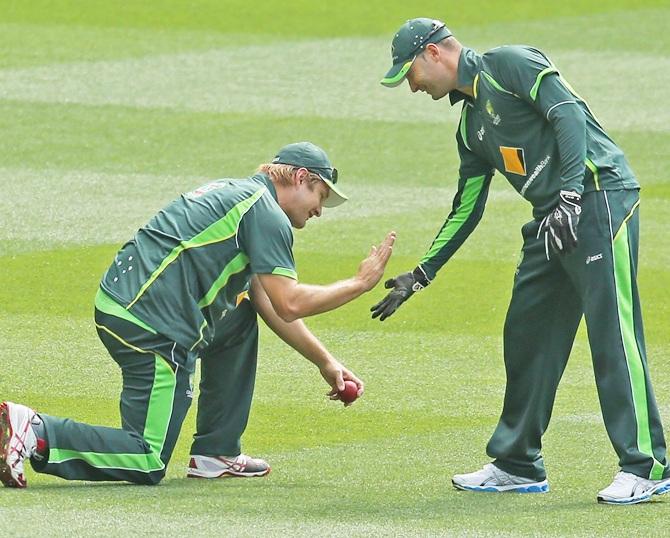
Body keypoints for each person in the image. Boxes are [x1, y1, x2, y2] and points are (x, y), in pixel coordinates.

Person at [374, 17, 670, 505]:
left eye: (410, 73)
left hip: (599, 198)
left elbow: (569, 117)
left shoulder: (509, 63)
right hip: (553, 219)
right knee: (527, 333)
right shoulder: (470, 127)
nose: (413, 87)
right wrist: (421, 273)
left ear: (433, 53)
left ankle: (647, 464)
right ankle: (517, 463)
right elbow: (466, 207)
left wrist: (572, 195)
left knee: (611, 332)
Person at [0, 141, 395, 488]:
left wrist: (325, 362)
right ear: (301, 177)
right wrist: (359, 284)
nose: (320, 211)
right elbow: (291, 301)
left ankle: (216, 452)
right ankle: (33, 431)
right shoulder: (267, 215)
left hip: (124, 304)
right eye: (320, 196)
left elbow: (268, 301)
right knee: (147, 457)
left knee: (237, 317)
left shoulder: (237, 193)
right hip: (150, 327)